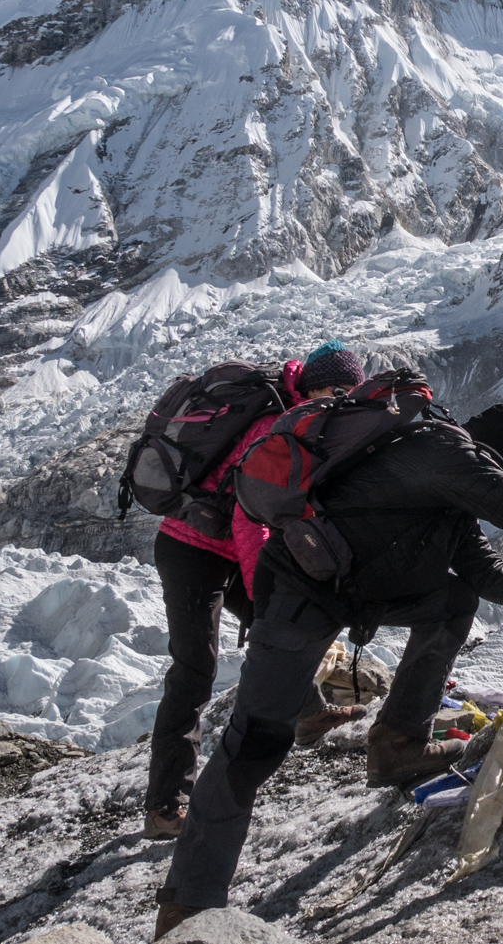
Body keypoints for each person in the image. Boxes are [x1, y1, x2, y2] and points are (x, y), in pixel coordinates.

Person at [152, 398, 503, 936]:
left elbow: (483, 574)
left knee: (454, 598)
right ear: (500, 452)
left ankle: (397, 743)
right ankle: (187, 905)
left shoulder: (449, 493)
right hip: (302, 590)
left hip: (355, 588)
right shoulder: (445, 453)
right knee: (254, 741)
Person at [142, 341, 372, 841]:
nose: (341, 402)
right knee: (194, 668)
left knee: (288, 626)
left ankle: (308, 714)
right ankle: (165, 805)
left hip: (221, 545)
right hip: (191, 549)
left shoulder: (295, 417)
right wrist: (264, 593)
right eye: (338, 390)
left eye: (349, 394)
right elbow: (252, 525)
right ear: (314, 385)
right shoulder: (275, 426)